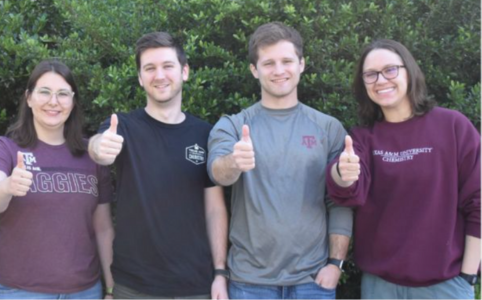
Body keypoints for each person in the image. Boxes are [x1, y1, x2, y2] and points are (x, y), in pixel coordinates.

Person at [207, 22, 353, 299]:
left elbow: (340, 201)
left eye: (287, 61)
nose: (278, 70)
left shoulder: (329, 128)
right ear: (254, 70)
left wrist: (336, 264)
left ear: (301, 64)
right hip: (249, 282)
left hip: (313, 282)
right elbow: (218, 173)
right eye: (268, 63)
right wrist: (234, 162)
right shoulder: (234, 126)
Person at [327, 39, 480, 299]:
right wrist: (342, 174)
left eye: (390, 69)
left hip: (445, 286)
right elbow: (348, 190)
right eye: (371, 74)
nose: (381, 80)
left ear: (409, 71)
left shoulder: (453, 126)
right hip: (380, 287)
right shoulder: (364, 138)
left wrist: (468, 275)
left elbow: (478, 201)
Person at [88, 32, 229, 299]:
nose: (159, 75)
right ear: (141, 78)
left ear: (184, 71)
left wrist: (220, 273)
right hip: (132, 287)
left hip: (195, 286)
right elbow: (99, 148)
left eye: (167, 66)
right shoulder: (123, 126)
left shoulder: (205, 133)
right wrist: (100, 146)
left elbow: (214, 209)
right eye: (149, 68)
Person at [0, 60, 114, 299]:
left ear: (73, 103)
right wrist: (7, 186)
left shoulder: (91, 155)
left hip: (84, 291)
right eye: (44, 92)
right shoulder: (6, 148)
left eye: (63, 94)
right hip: (18, 291)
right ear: (29, 98)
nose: (53, 101)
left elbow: (103, 228)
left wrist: (111, 288)